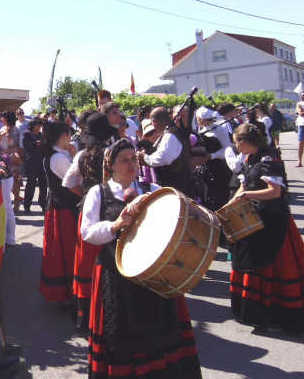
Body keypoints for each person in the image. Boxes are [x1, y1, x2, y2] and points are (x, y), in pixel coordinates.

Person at [80, 139, 202, 378]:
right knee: (123, 336)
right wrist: (116, 224)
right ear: (111, 166)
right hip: (116, 274)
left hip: (152, 274)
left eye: (133, 159)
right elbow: (87, 233)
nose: (131, 164)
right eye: (124, 161)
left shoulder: (153, 190)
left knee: (158, 333)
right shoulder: (98, 193)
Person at [229, 123, 304, 332]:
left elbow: (275, 192)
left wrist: (246, 196)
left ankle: (281, 314)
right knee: (255, 263)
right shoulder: (250, 158)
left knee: (277, 265)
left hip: (273, 220)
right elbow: (243, 186)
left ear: (244, 142)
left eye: (236, 143)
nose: (236, 147)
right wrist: (231, 205)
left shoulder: (270, 159)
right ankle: (259, 313)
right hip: (255, 218)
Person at [63, 112, 117, 330]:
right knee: (108, 256)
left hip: (88, 208)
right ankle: (108, 308)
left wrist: (85, 195)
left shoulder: (81, 155)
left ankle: (86, 312)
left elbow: (69, 182)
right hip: (111, 209)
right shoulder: (113, 153)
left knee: (86, 258)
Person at [38, 122, 79, 304]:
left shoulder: (60, 155)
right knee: (66, 250)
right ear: (63, 136)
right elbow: (73, 184)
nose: (70, 139)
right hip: (62, 208)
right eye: (69, 135)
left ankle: (67, 293)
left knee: (65, 250)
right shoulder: (57, 158)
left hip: (62, 205)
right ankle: (67, 294)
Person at [138, 107, 193, 195]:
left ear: (154, 122)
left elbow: (164, 158)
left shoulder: (170, 135)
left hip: (176, 185)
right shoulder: (173, 133)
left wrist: (145, 158)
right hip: (178, 184)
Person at [22, 118, 46, 214]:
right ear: (32, 125)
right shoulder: (26, 134)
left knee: (43, 184)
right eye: (37, 125)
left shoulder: (41, 135)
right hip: (31, 162)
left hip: (41, 161)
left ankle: (43, 204)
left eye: (40, 126)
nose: (39, 127)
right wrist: (36, 144)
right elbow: (26, 146)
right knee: (31, 184)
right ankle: (27, 205)